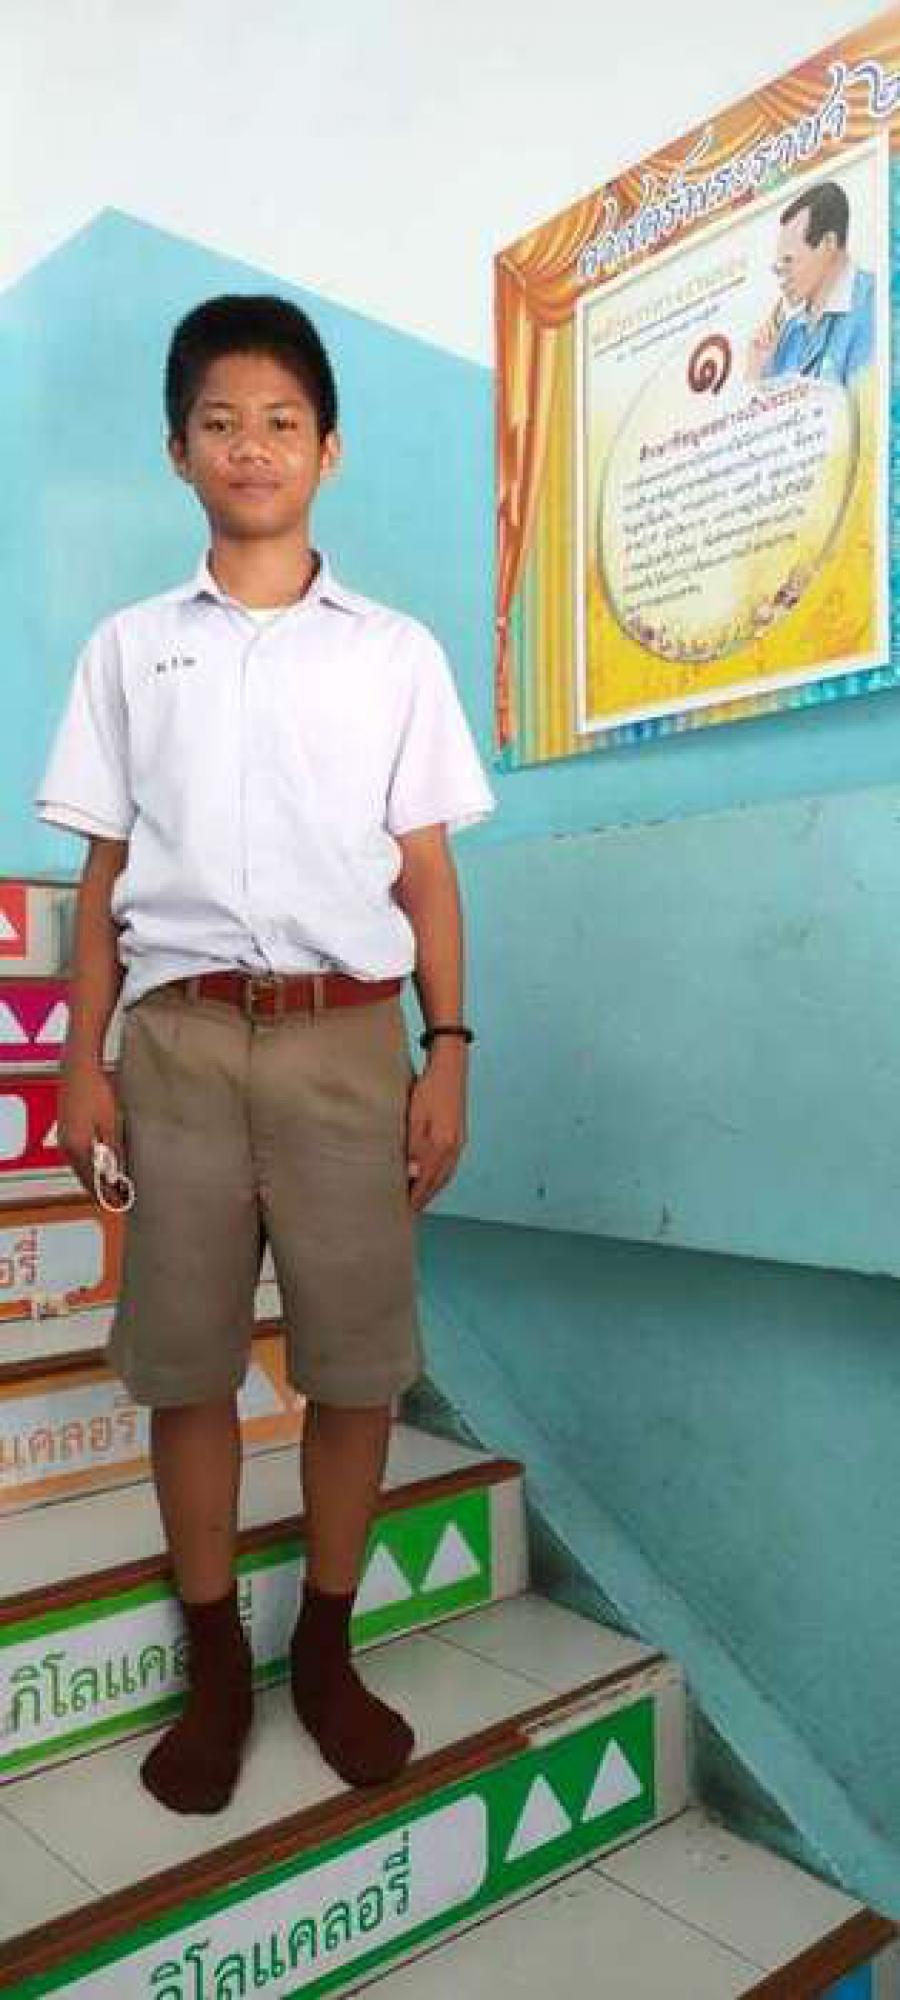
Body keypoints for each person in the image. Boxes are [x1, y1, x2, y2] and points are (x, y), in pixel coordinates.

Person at [36, 293, 494, 1815]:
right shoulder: (129, 650)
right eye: (220, 422)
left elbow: (426, 873)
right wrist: (83, 1064)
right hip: (174, 1048)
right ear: (179, 451)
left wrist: (447, 1050)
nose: (252, 445)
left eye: (281, 421)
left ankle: (328, 1647)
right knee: (186, 1367)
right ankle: (217, 1660)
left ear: (328, 449)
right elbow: (105, 872)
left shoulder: (394, 654)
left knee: (357, 1366)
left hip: (350, 1043)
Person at [747, 180, 875, 386]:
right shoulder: (788, 334)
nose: (781, 274)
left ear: (829, 243)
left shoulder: (876, 303)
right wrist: (757, 374)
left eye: (788, 260)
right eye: (779, 264)